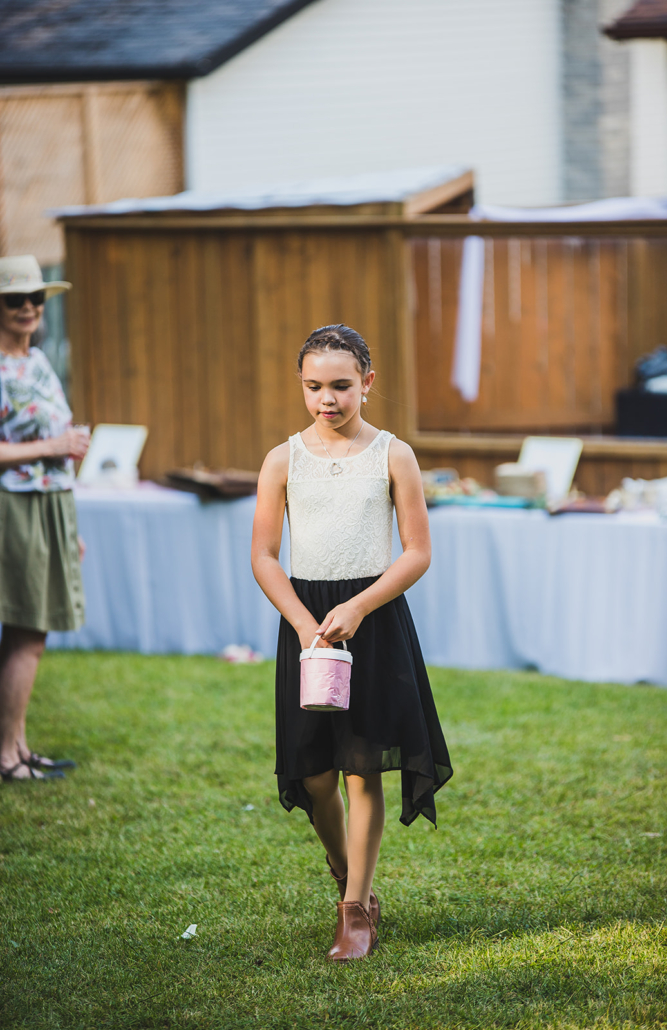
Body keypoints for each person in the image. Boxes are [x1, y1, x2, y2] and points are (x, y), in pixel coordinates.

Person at [252, 324, 452, 962]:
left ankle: (355, 913)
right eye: (313, 386)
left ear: (368, 382)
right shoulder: (282, 459)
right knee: (315, 774)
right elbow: (262, 556)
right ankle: (347, 874)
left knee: (363, 768)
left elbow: (417, 552)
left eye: (340, 386)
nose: (326, 399)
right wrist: (303, 623)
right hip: (305, 623)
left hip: (373, 617)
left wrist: (361, 607)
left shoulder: (395, 455)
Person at [0, 255, 89, 783]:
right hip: (16, 505)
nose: (29, 307)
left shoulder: (35, 362)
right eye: (16, 299)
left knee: (29, 631)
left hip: (51, 503)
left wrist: (70, 528)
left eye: (37, 299)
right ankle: (8, 756)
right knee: (28, 628)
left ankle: (18, 746)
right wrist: (56, 444)